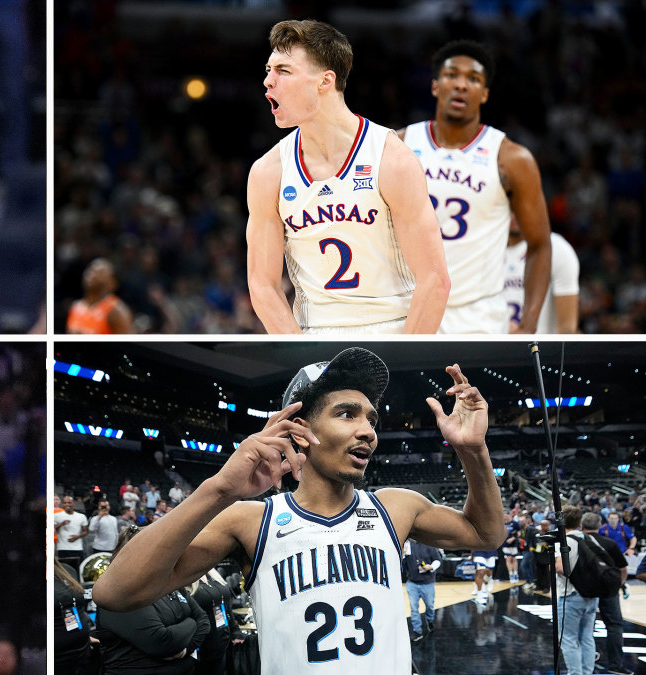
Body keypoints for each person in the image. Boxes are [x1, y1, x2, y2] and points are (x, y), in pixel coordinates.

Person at [93, 347, 505, 674]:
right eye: (346, 414)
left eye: (371, 419)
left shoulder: (396, 507)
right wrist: (219, 490)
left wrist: (473, 450)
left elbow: (487, 535)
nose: (367, 430)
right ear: (300, 430)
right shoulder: (250, 521)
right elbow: (115, 594)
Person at [245, 20, 450, 334]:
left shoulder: (391, 158)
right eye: (268, 70)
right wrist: (302, 356)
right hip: (314, 332)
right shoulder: (267, 172)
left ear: (325, 81)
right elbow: (263, 285)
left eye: (284, 71)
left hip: (394, 326)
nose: (268, 81)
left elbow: (435, 279)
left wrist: (403, 355)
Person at [398, 40, 552, 334]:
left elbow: (540, 243)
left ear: (484, 94)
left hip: (478, 317)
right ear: (434, 86)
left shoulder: (512, 158)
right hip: (407, 309)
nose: (461, 85)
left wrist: (530, 322)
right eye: (451, 75)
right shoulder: (400, 145)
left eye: (473, 79)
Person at [94, 528, 209, 674]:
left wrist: (186, 650)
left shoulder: (167, 582)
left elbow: (204, 621)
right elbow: (163, 643)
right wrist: (191, 621)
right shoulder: (121, 592)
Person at [504, 216, 579, 333]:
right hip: (491, 347)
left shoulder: (559, 249)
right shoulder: (482, 249)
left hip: (540, 349)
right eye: (509, 204)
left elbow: (567, 329)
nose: (514, 212)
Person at [581, 512, 632, 675]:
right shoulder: (609, 543)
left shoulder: (578, 543)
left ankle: (587, 657)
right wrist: (619, 584)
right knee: (614, 625)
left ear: (582, 526)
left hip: (585, 590)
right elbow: (623, 569)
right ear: (599, 526)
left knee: (585, 626)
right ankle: (616, 665)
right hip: (608, 590)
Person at [556, 506, 599, 675]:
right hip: (591, 594)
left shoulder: (566, 540)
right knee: (587, 637)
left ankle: (575, 673)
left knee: (568, 639)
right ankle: (587, 672)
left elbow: (560, 568)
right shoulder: (589, 539)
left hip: (571, 594)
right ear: (579, 522)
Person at [66, 258, 134, 334]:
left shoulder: (117, 311)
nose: (92, 274)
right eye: (91, 270)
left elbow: (128, 344)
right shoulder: (76, 306)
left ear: (112, 283)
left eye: (100, 272)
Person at [54, 558, 95, 675]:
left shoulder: (67, 570)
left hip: (82, 650)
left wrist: (86, 638)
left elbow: (78, 607)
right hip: (57, 657)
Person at [404, 539, 442, 642]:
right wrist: (402, 554)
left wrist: (431, 566)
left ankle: (430, 620)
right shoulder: (407, 545)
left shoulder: (429, 544)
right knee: (414, 608)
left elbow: (438, 560)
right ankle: (417, 631)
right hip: (412, 583)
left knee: (430, 605)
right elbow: (402, 562)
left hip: (427, 583)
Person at [53, 496, 89, 570]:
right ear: (62, 504)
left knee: (78, 570)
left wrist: (77, 536)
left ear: (73, 503)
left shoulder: (81, 516)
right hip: (62, 548)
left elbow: (86, 531)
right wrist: (61, 524)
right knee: (64, 571)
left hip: (77, 548)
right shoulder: (56, 516)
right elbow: (51, 531)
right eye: (65, 503)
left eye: (69, 502)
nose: (67, 504)